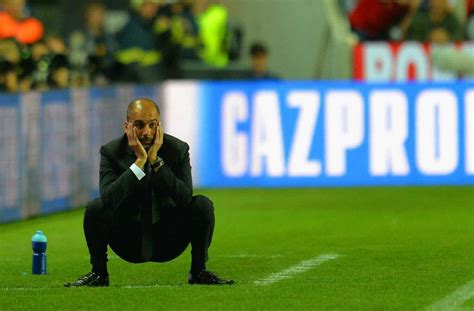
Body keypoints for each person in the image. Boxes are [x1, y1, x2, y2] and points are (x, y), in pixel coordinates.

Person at [65, 98, 234, 287]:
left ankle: (198, 272)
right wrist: (138, 163)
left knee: (202, 205)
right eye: (139, 125)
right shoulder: (111, 152)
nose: (146, 132)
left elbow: (184, 197)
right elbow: (109, 199)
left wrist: (155, 162)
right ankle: (98, 274)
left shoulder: (177, 149)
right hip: (129, 239)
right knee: (95, 208)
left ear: (159, 126)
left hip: (169, 238)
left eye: (152, 125)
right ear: (127, 126)